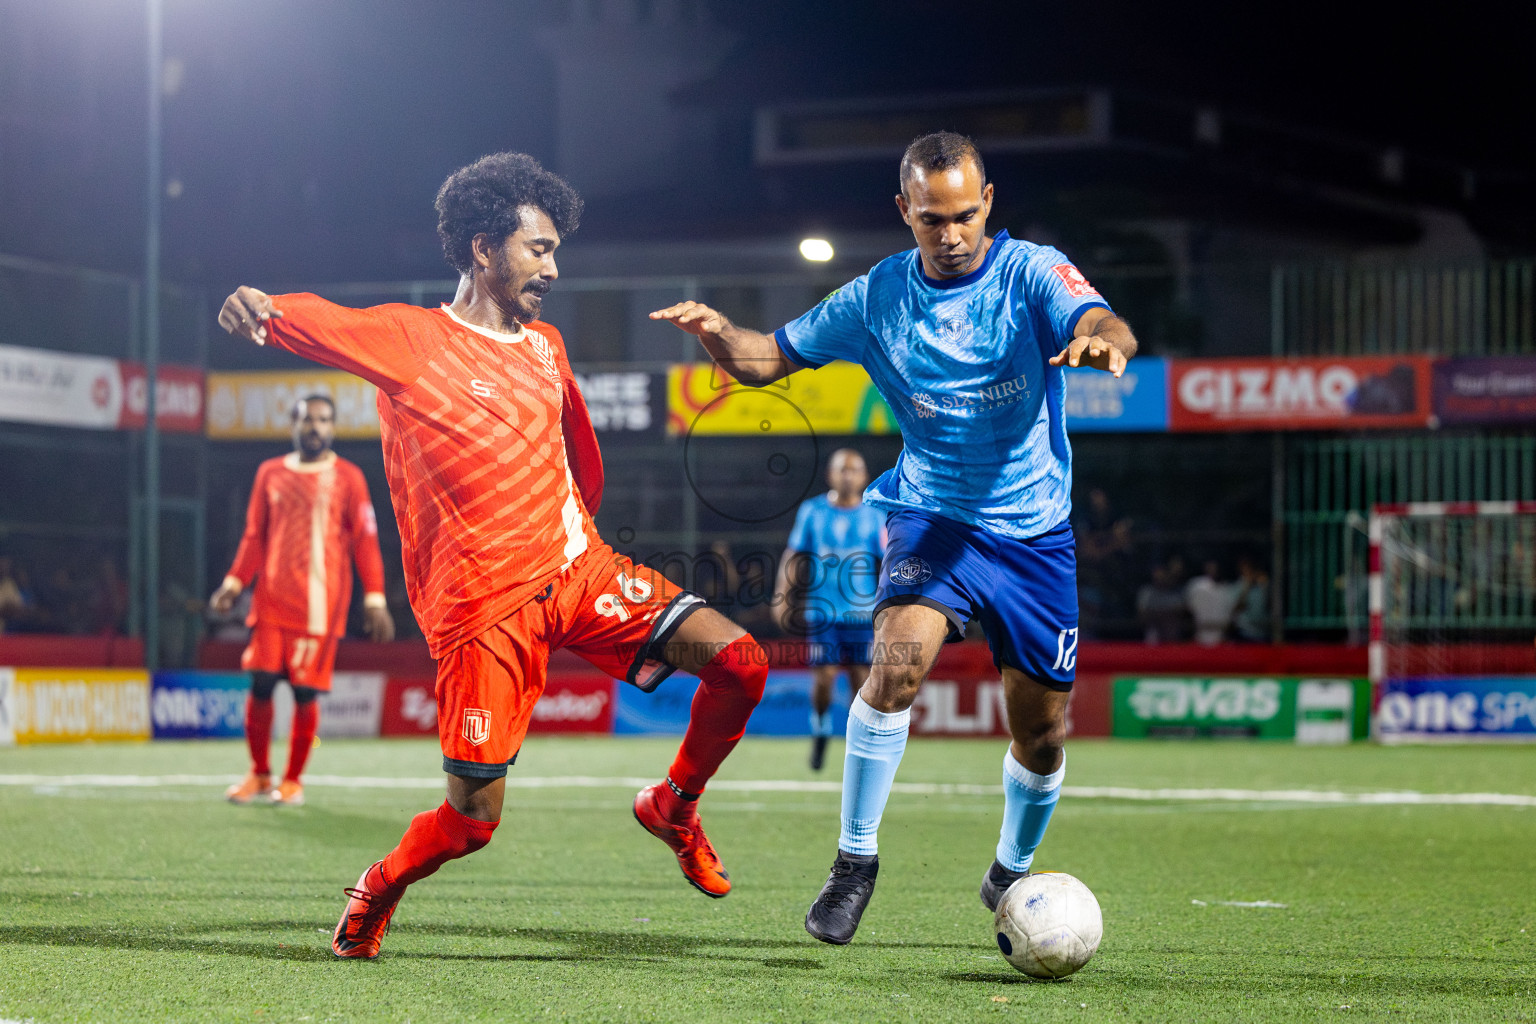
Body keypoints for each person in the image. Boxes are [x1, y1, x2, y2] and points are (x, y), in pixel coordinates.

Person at [217, 152, 766, 960]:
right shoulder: (413, 338)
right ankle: (380, 882)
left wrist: (579, 527)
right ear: (483, 248)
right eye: (537, 248)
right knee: (472, 823)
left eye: (553, 249)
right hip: (483, 612)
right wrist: (262, 312)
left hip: (580, 574)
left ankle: (673, 805)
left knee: (743, 663)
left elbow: (579, 451)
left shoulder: (548, 345)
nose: (553, 265)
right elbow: (325, 321)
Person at [653, 131, 1139, 945]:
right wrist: (719, 335)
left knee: (1043, 734)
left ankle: (1011, 869)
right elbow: (768, 357)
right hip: (931, 514)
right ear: (903, 213)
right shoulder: (875, 297)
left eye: (962, 216)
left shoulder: (1029, 271)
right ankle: (854, 861)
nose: (949, 235)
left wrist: (1101, 341)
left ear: (987, 203)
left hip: (1034, 535)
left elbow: (1102, 318)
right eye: (929, 219)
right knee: (896, 665)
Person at [209, 395, 396, 807]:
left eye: (324, 420)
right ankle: (259, 775)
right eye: (308, 420)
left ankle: (292, 781)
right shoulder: (270, 473)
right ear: (293, 424)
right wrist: (234, 582)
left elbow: (366, 540)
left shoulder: (348, 476)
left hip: (320, 606)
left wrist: (376, 597)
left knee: (303, 693)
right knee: (259, 685)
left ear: (333, 426)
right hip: (272, 601)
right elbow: (253, 535)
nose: (316, 427)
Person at [773, 448, 887, 770]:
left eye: (855, 470)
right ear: (831, 474)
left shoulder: (875, 515)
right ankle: (821, 729)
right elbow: (793, 556)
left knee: (861, 680)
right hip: (823, 613)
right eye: (842, 469)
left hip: (862, 614)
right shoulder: (812, 511)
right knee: (823, 678)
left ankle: (858, 745)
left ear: (864, 478)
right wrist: (782, 595)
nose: (848, 475)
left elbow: (887, 562)